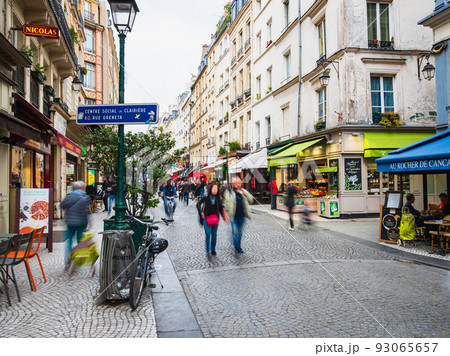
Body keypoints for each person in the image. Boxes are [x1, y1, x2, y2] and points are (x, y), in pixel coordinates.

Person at [60, 181, 91, 267]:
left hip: (70, 223)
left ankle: (68, 259)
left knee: (69, 240)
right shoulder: (86, 197)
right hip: (82, 222)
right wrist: (89, 224)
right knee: (80, 241)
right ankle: (78, 258)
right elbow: (87, 211)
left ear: (73, 188)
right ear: (82, 188)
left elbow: (62, 205)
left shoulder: (69, 196)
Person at [223, 177, 254, 254]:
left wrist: (246, 194)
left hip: (242, 216)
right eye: (236, 183)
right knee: (236, 232)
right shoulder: (229, 192)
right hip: (233, 216)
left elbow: (251, 201)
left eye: (239, 183)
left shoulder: (244, 191)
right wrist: (225, 215)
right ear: (233, 184)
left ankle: (237, 244)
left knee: (239, 233)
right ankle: (237, 248)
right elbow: (225, 204)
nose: (238, 185)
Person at [197, 183, 228, 256]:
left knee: (214, 235)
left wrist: (224, 216)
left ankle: (213, 249)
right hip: (206, 217)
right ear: (210, 189)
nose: (215, 190)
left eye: (216, 189)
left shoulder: (218, 198)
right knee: (208, 233)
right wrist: (201, 212)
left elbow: (220, 208)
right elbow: (198, 204)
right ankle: (207, 250)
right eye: (213, 188)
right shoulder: (205, 197)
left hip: (215, 218)